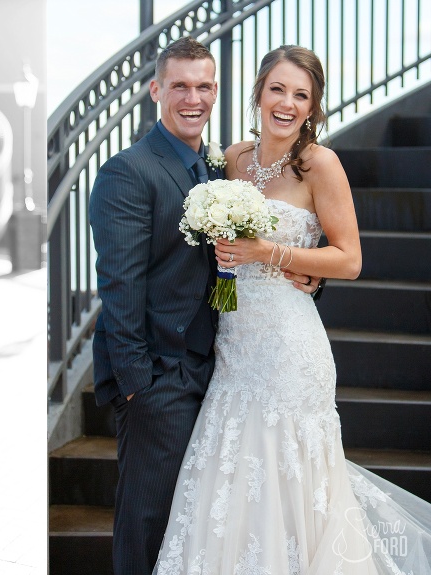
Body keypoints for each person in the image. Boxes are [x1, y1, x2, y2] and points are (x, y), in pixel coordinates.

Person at [154, 45, 431, 574]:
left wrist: (270, 252)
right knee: (231, 471)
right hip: (233, 346)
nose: (286, 103)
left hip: (289, 348)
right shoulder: (231, 160)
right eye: (277, 89)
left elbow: (349, 258)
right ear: (258, 92)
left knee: (290, 477)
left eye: (301, 95)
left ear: (312, 108)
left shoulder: (319, 165)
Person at [88, 38, 319, 575]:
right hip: (159, 380)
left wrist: (304, 275)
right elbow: (119, 288)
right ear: (155, 91)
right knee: (147, 521)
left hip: (222, 369)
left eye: (204, 86)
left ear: (217, 90)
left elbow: (245, 254)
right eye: (180, 86)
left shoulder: (220, 167)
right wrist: (136, 386)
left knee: (196, 526)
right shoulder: (128, 171)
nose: (193, 98)